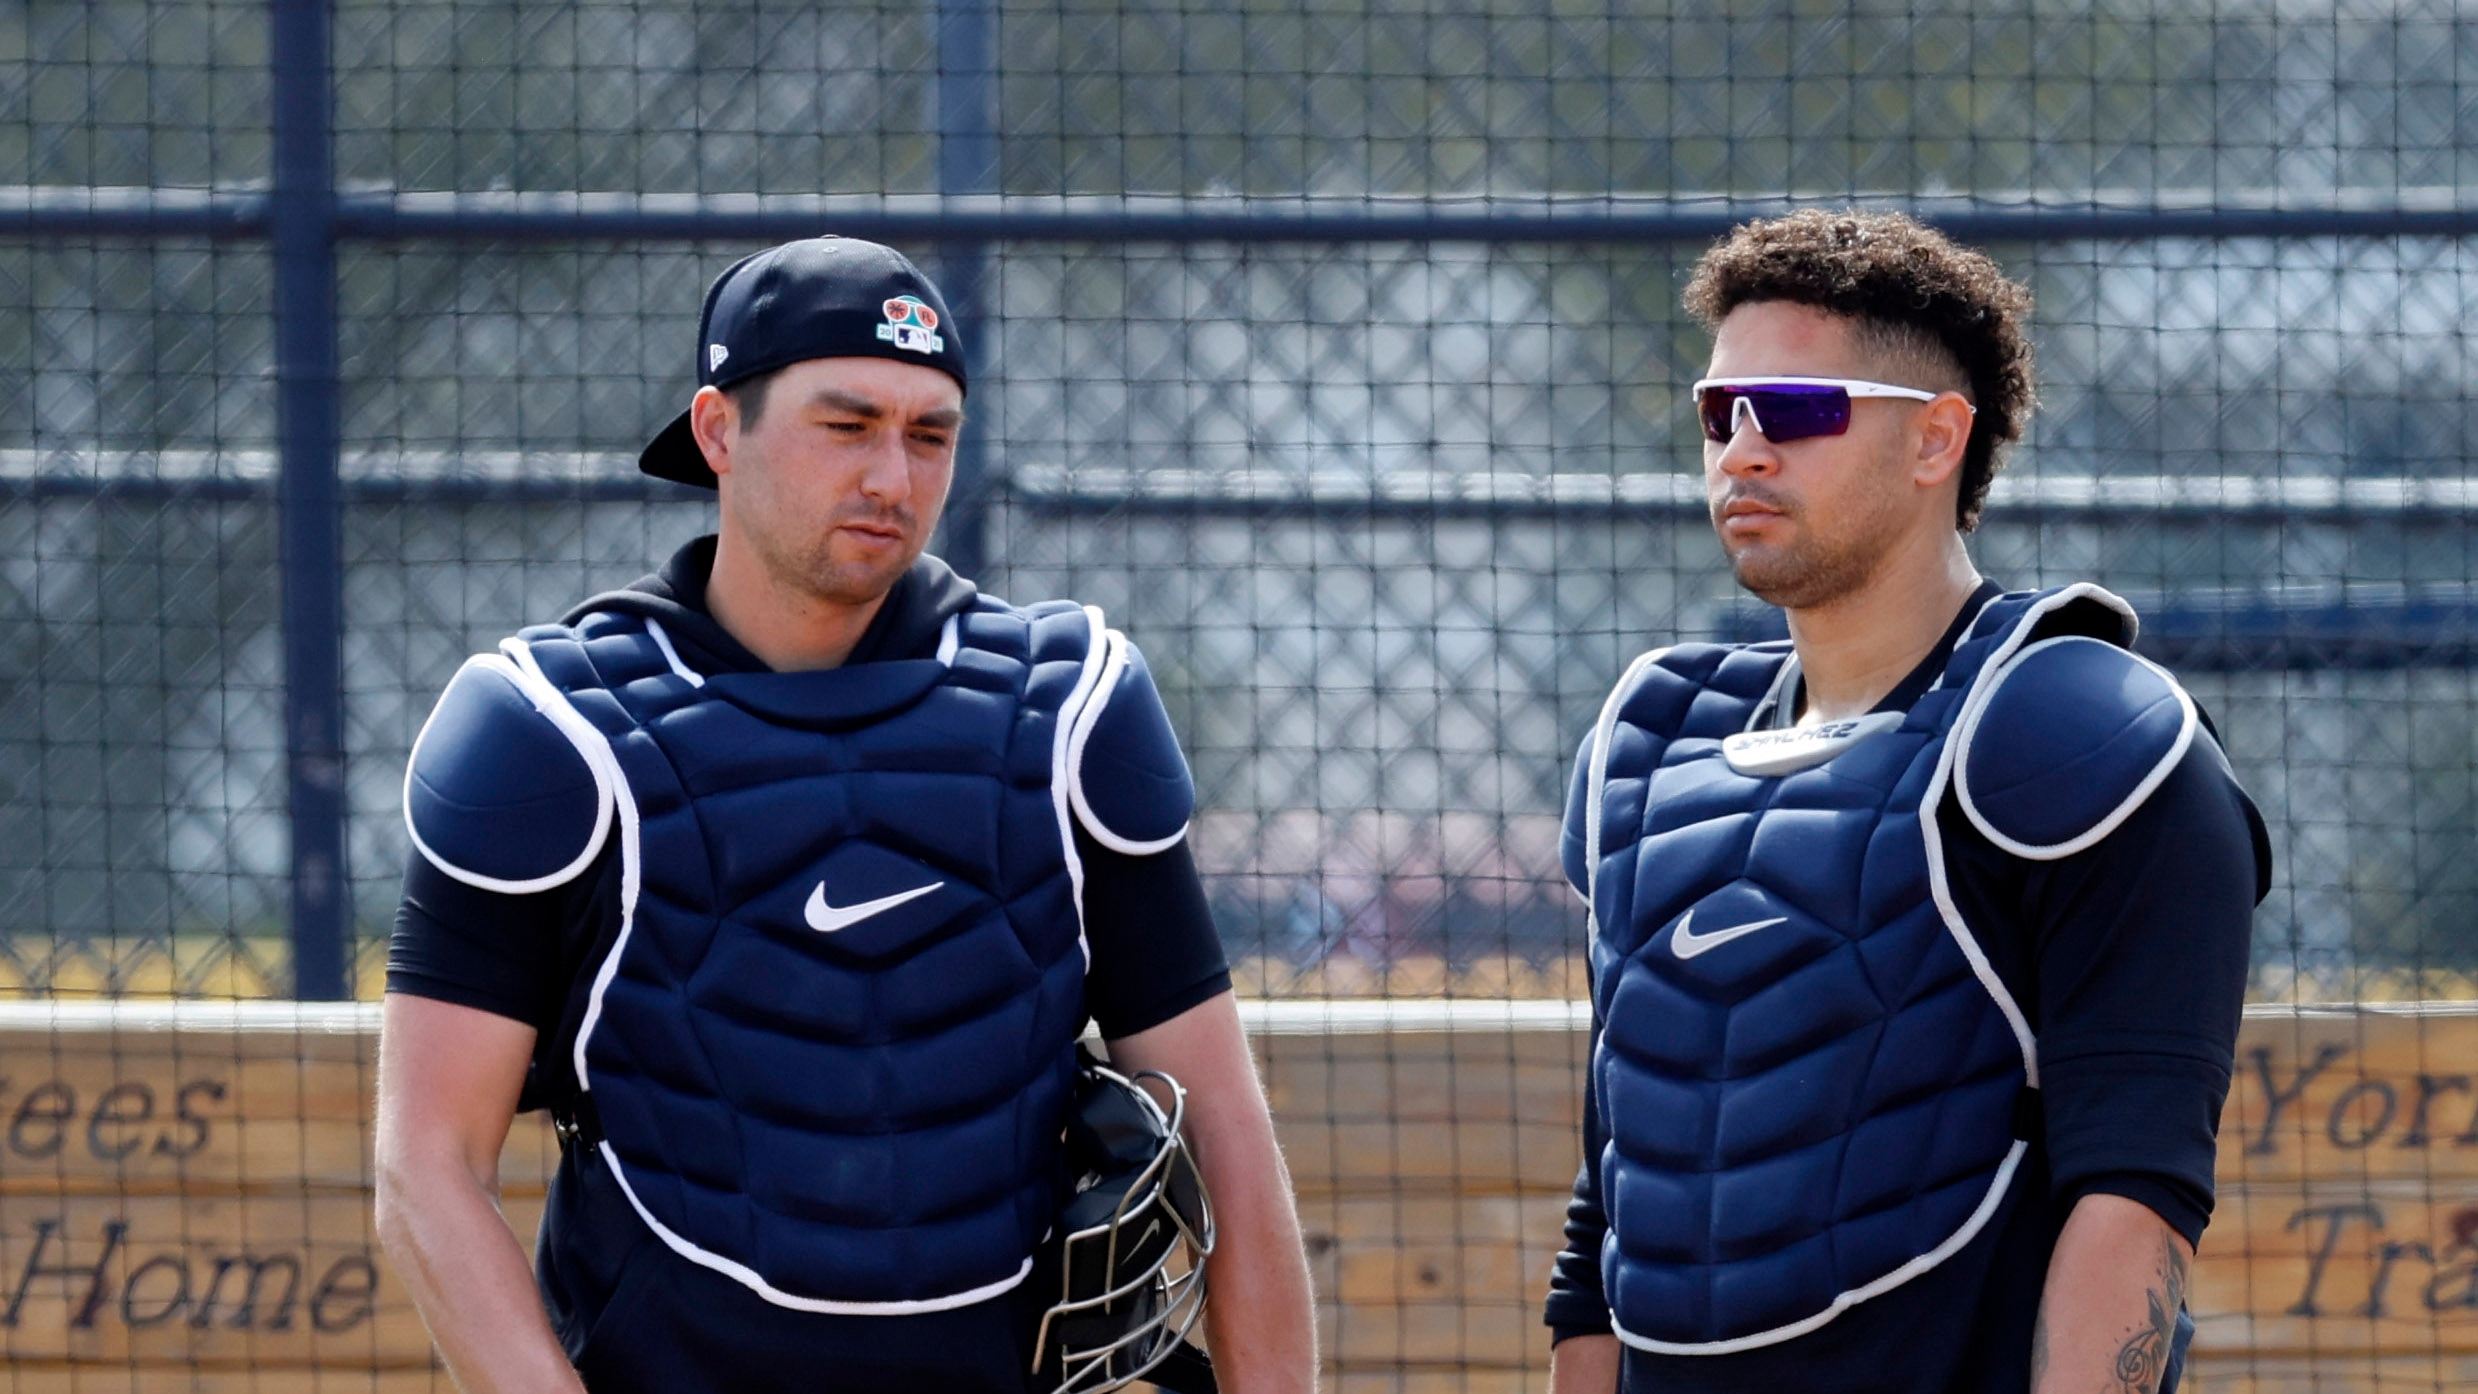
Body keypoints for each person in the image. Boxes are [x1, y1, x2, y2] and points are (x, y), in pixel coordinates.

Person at [374, 236, 1317, 1394]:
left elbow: (1224, 1132)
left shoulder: (1068, 712)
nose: (893, 478)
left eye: (930, 435)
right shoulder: (549, 728)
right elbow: (428, 1165)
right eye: (847, 425)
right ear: (718, 430)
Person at [1544, 211, 2269, 1394]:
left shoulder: (2081, 736)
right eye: (1721, 411)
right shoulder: (1650, 744)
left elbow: (2135, 1196)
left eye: (1799, 408)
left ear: (1936, 439)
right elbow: (1613, 1215)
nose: (1745, 450)